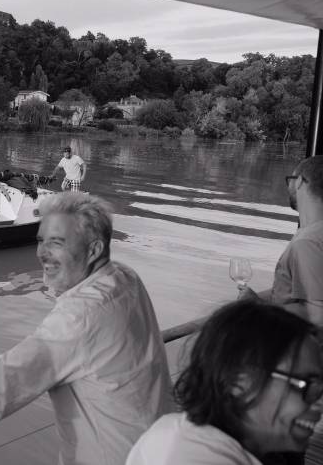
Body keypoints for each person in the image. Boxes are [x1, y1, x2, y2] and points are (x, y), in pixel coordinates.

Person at [0, 192, 173, 465]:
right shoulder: (125, 277)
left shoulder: (81, 314)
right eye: (41, 240)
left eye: (57, 243)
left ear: (94, 250)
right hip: (160, 447)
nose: (42, 254)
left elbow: (18, 370)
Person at [126, 299, 323, 465]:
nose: (319, 403)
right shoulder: (193, 458)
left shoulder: (175, 430)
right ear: (239, 380)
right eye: (307, 384)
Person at [240, 156, 323, 327]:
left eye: (290, 180)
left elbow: (317, 317)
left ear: (299, 182)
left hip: (299, 348)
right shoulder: (312, 233)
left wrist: (258, 307)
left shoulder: (307, 243)